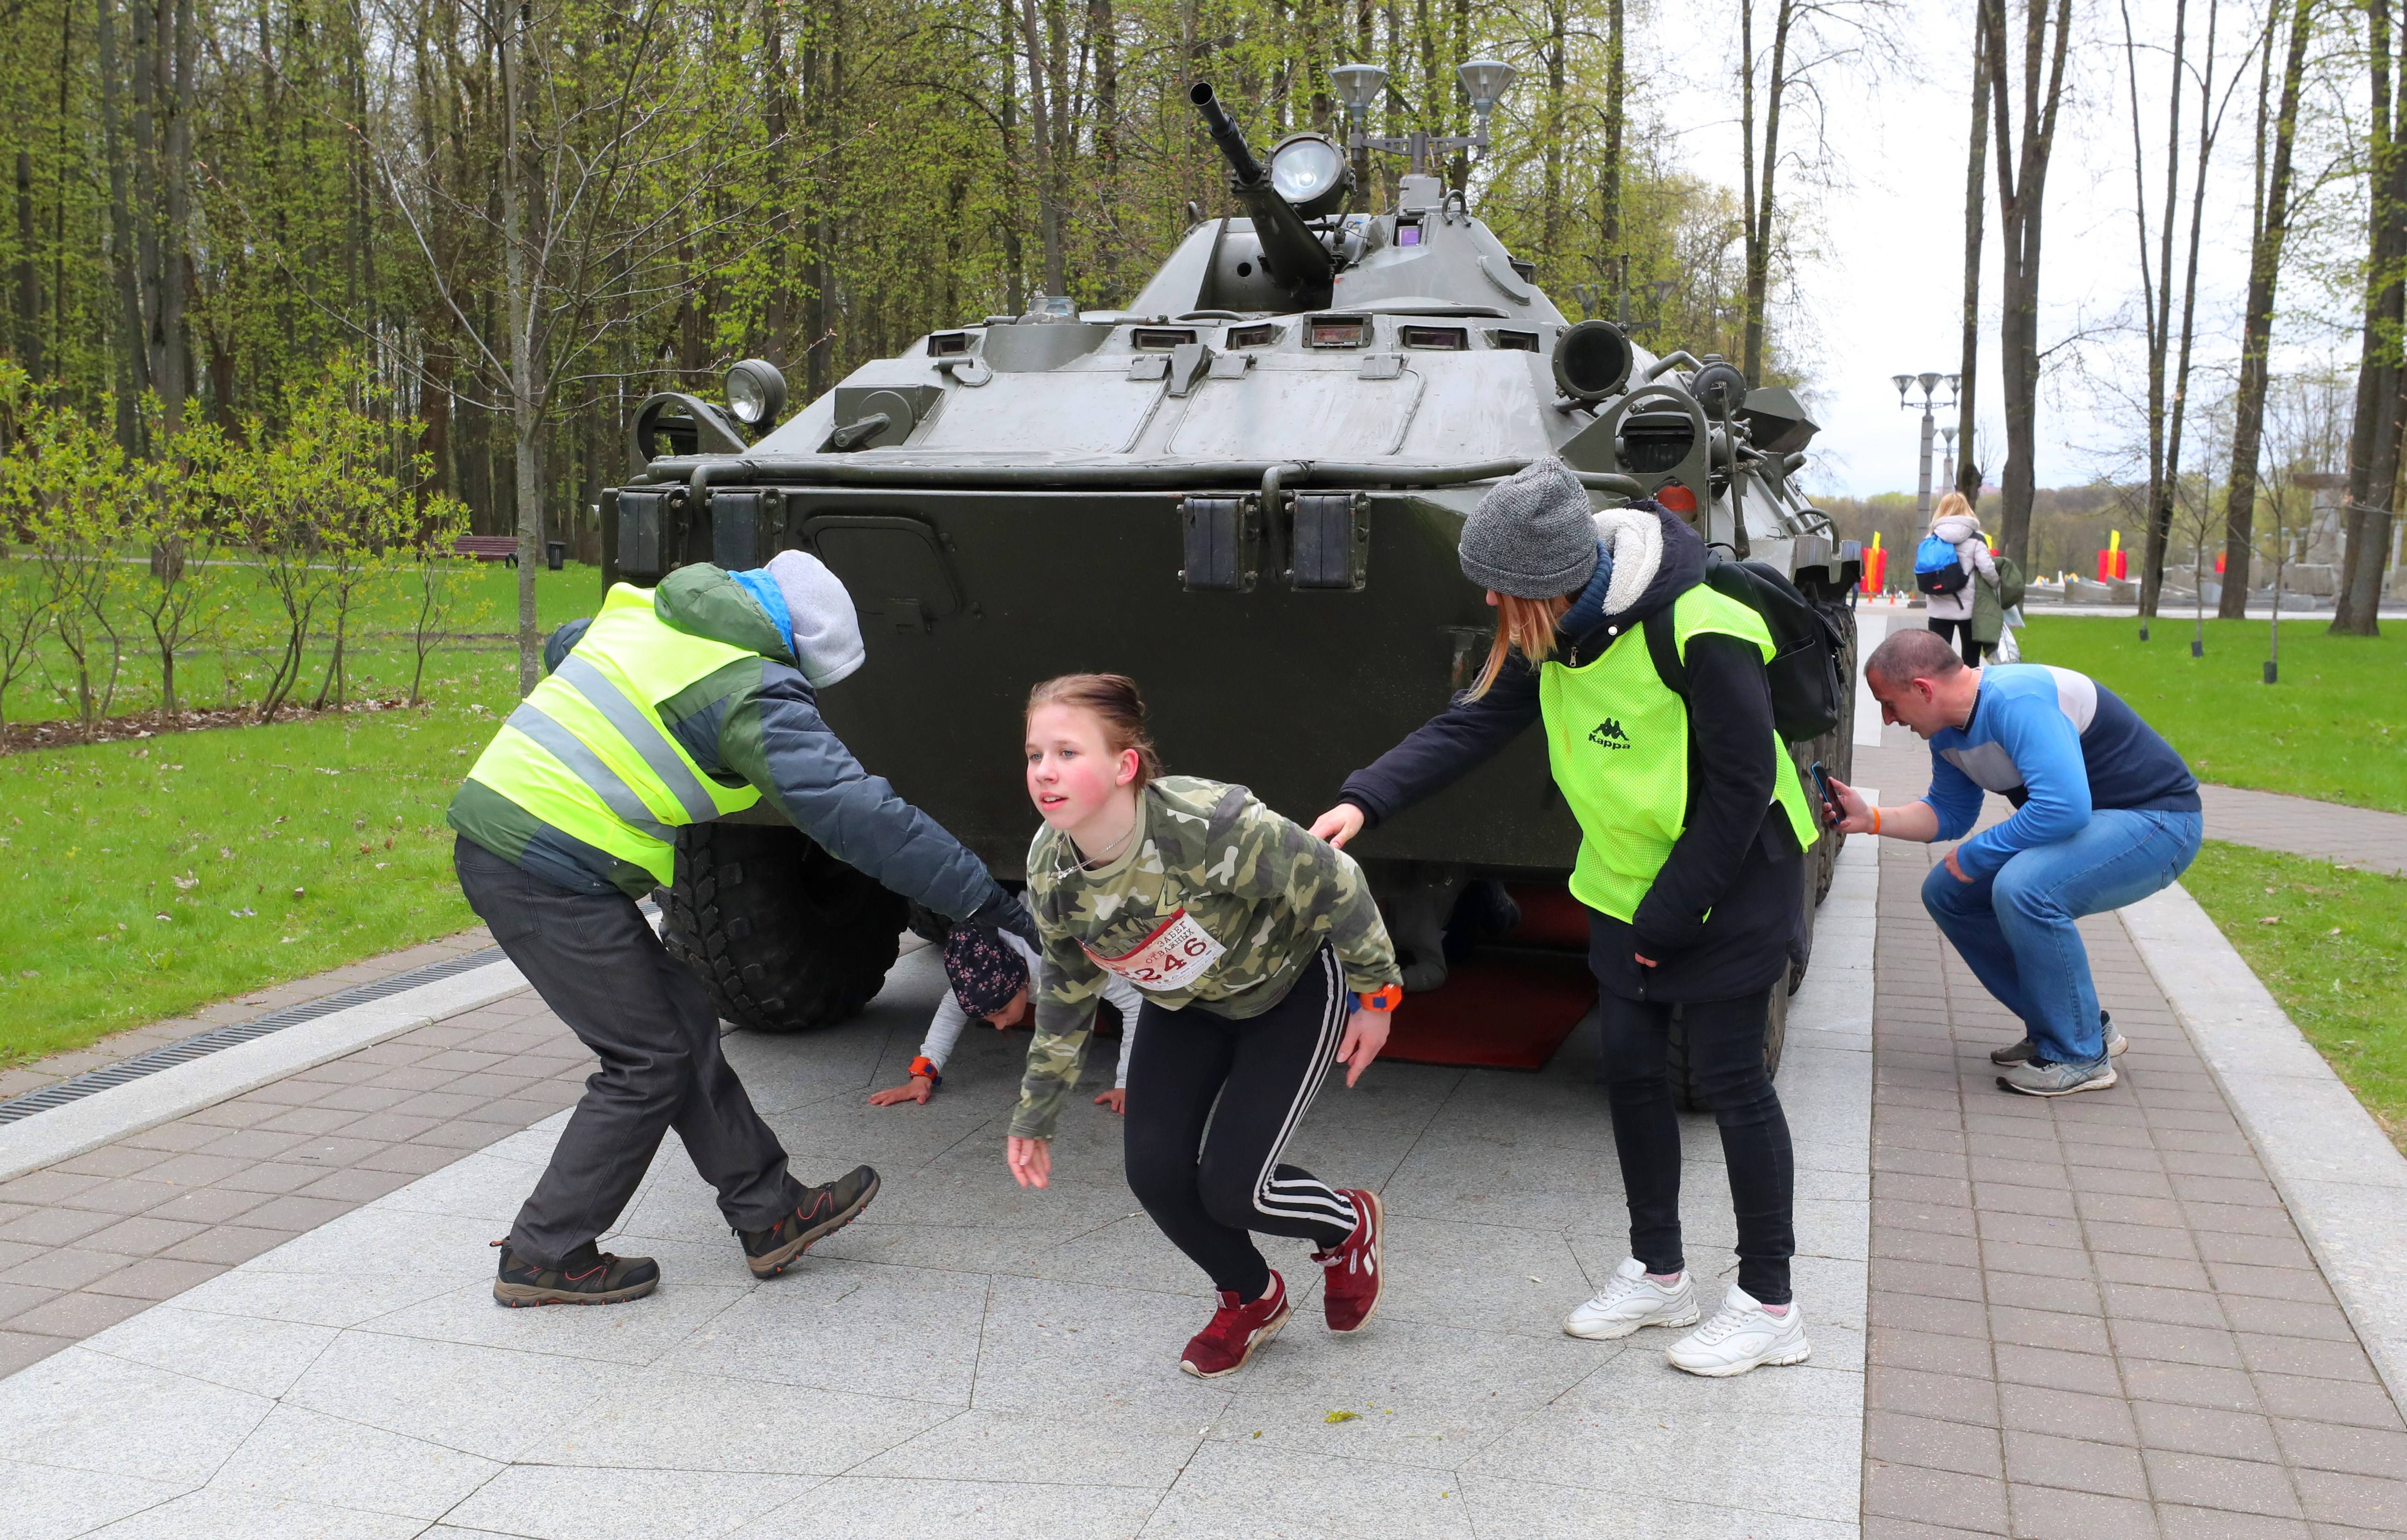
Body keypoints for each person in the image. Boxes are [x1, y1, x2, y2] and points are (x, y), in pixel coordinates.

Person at [1310, 458, 1818, 1378]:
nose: (1492, 598)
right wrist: (1365, 802)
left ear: (1549, 578)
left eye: (1502, 584)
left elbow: (1743, 790)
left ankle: (1771, 1302)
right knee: (1633, 1073)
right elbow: (1465, 723)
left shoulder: (1703, 624)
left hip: (1731, 879)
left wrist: (1671, 917)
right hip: (1625, 878)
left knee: (1734, 1082)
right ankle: (1660, 1271)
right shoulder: (1550, 631)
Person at [448, 551, 1036, 1307]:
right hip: (536, 865)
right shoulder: (751, 688)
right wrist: (988, 902)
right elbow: (862, 816)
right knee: (648, 1060)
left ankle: (769, 1213)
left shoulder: (654, 612)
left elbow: (568, 646)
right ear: (791, 651)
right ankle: (543, 1251)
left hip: (532, 851)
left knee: (683, 1020)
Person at [1005, 673, 1402, 1380]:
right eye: (1035, 754)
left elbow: (1337, 880)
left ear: (1124, 765)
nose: (1044, 772)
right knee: (1154, 1174)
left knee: (1234, 1187)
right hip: (1185, 1006)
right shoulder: (1051, 869)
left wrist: (1376, 997)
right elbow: (1066, 994)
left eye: (1067, 752)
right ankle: (1251, 1296)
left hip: (1291, 988)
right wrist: (1034, 1116)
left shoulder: (1207, 824)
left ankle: (1345, 1225)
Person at [1826, 628, 2203, 1096]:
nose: (1887, 719)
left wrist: (1977, 852)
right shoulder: (1946, 731)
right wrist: (1873, 818)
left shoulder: (2017, 699)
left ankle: (2079, 1054)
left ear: (1923, 689)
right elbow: (1950, 813)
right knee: (1947, 893)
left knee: (2025, 888)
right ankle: (2073, 1024)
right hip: (2098, 822)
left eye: (1889, 704)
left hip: (2159, 821)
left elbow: (2063, 807)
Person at [868, 899, 1143, 1113]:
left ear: (1020, 982)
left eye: (1001, 1011)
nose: (1000, 1024)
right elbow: (951, 1015)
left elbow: (1135, 1002)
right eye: (991, 1018)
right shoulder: (979, 973)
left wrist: (1127, 1084)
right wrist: (922, 1075)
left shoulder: (1068, 964)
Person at [1918, 492, 1999, 667]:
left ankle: (1940, 692)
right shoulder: (1977, 537)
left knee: (1937, 661)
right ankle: (1970, 693)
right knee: (1971, 660)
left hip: (1938, 607)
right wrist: (1996, 584)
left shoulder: (1931, 538)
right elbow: (1986, 568)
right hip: (1968, 609)